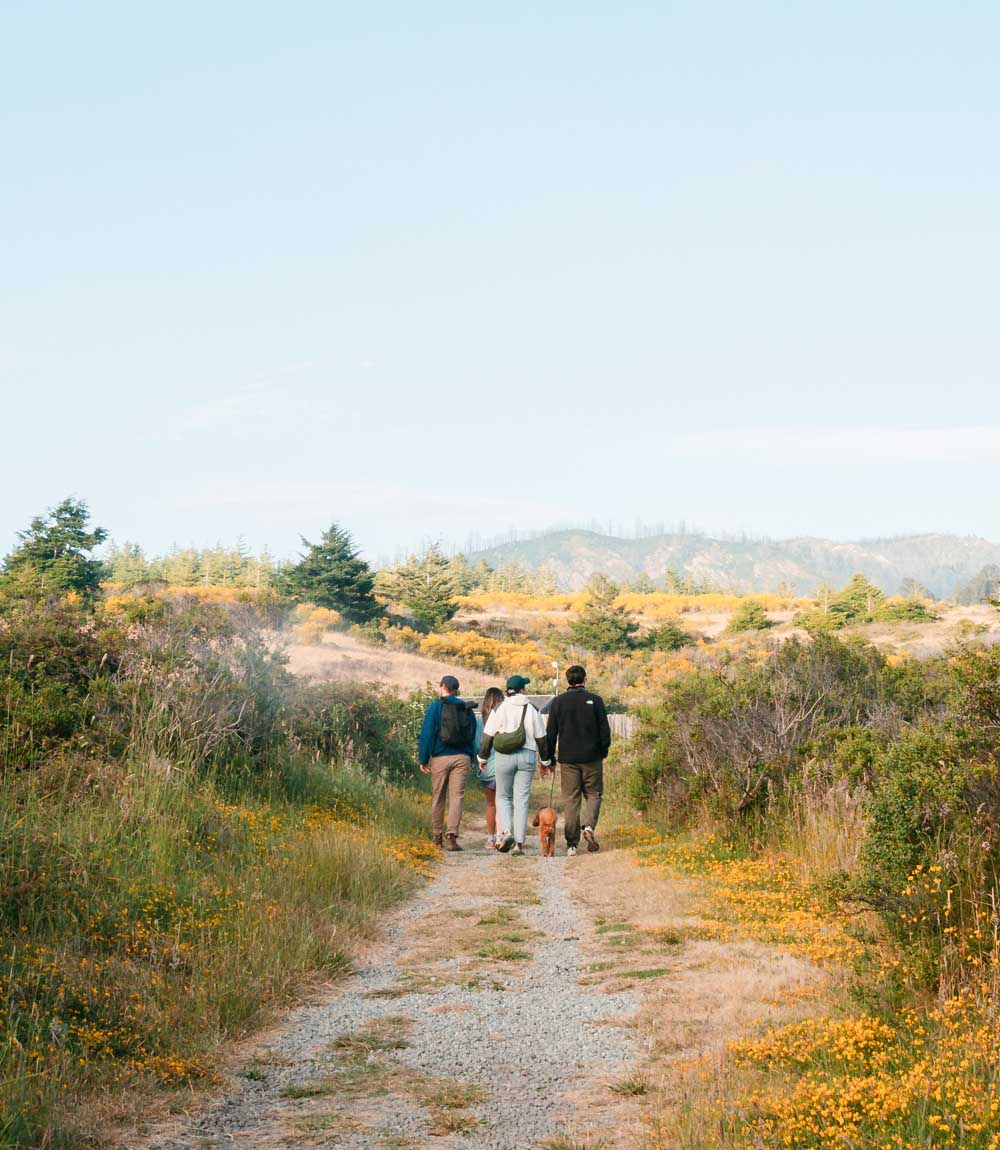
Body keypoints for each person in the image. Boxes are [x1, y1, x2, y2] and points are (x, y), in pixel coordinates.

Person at [478, 675, 550, 856]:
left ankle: (506, 832)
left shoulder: (500, 708)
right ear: (523, 690)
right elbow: (541, 738)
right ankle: (518, 844)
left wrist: (483, 759)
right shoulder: (532, 709)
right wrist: (546, 761)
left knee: (502, 797)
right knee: (522, 799)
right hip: (527, 756)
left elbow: (487, 736)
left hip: (504, 757)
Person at [545, 664, 611, 856]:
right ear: (585, 679)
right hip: (592, 757)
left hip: (568, 759)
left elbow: (551, 733)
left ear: (568, 681)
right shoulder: (596, 701)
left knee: (571, 800)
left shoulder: (558, 702)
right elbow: (604, 731)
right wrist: (603, 751)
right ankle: (589, 827)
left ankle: (572, 845)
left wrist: (549, 758)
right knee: (594, 794)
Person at [418, 675, 477, 851]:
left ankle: (437, 836)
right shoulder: (466, 707)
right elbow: (472, 733)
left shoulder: (436, 706)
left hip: (440, 757)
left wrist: (424, 758)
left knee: (438, 797)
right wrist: (471, 756)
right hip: (462, 757)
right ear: (456, 689)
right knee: (457, 797)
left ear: (443, 687)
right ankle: (451, 836)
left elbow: (428, 733)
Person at [473, 687, 504, 849]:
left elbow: (476, 746)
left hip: (486, 769)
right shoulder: (505, 717)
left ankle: (491, 838)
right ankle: (503, 836)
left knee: (491, 804)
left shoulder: (479, 722)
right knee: (505, 803)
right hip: (504, 766)